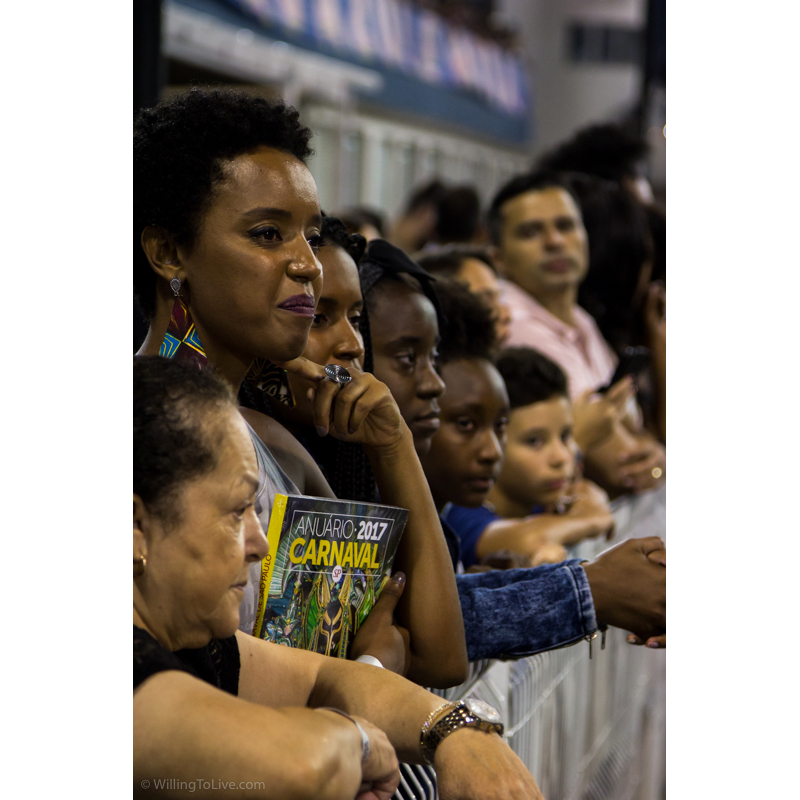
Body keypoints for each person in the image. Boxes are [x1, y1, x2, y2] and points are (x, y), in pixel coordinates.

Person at [133, 87, 467, 687]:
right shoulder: (134, 433)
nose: (308, 264)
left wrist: (392, 445)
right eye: (268, 234)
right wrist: (367, 674)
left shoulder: (277, 447)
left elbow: (440, 658)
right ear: (168, 252)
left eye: (310, 234)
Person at [134, 356, 544, 799]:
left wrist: (457, 732)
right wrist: (359, 738)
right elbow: (304, 766)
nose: (260, 544)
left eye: (256, 511)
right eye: (237, 513)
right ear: (135, 527)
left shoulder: (199, 641)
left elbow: (324, 678)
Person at [274, 230, 666, 657]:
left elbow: (430, 617)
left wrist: (589, 582)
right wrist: (592, 589)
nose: (434, 384)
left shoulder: (332, 467)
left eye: (435, 357)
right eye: (408, 358)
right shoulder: (276, 457)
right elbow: (434, 648)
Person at [487, 170, 666, 498]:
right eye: (531, 232)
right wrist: (658, 459)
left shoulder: (578, 318)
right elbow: (624, 467)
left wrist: (656, 457)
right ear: (499, 257)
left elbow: (637, 438)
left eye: (566, 226)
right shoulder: (516, 325)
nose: (555, 241)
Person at [439, 340, 615, 569]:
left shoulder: (538, 502)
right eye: (534, 441)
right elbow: (526, 540)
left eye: (565, 436)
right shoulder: (459, 512)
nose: (560, 458)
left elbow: (588, 492)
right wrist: (591, 519)